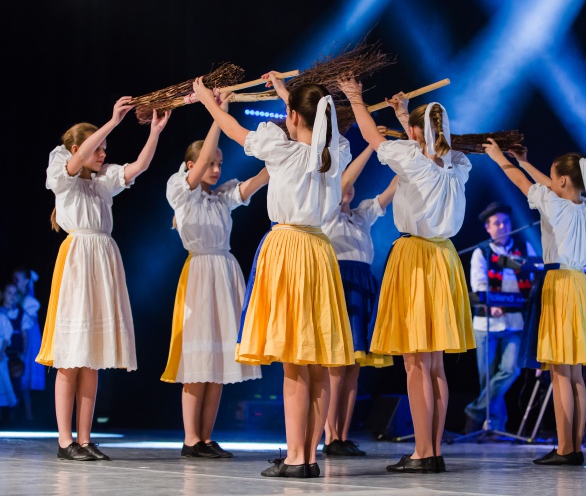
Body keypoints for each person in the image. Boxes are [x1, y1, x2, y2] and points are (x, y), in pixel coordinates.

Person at [192, 72, 353, 479]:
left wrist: (209, 102)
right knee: (315, 361)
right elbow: (308, 126)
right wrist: (286, 94)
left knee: (294, 363)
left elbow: (236, 131)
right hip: (320, 251)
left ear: (293, 116)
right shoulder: (335, 152)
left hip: (289, 249)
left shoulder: (281, 149)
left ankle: (297, 457)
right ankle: (308, 456)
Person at [339, 81, 474, 474]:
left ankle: (422, 451)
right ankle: (433, 450)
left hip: (416, 258)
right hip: (444, 258)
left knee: (416, 363)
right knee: (434, 365)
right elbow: (424, 146)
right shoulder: (457, 165)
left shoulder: (413, 159)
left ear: (415, 132)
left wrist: (354, 96)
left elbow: (371, 135)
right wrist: (404, 115)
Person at [37, 97, 171, 461]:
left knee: (91, 356)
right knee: (71, 354)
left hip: (102, 259)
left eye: (105, 148)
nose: (103, 154)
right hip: (79, 259)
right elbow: (75, 160)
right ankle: (65, 440)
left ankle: (85, 438)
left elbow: (138, 167)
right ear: (79, 149)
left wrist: (155, 132)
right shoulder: (62, 171)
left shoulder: (102, 180)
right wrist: (112, 121)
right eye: (98, 148)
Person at [483, 143, 586, 466]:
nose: (550, 183)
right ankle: (574, 446)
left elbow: (523, 184)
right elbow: (547, 186)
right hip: (580, 286)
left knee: (560, 373)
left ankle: (565, 448)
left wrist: (498, 157)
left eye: (554, 178)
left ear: (563, 181)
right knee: (575, 373)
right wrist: (525, 161)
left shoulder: (556, 205)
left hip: (560, 286)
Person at [162, 94, 268, 459]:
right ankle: (191, 438)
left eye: (220, 164)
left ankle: (206, 438)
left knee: (219, 362)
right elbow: (205, 155)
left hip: (224, 273)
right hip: (200, 275)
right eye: (211, 163)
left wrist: (282, 153)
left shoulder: (221, 198)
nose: (217, 168)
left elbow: (256, 182)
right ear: (192, 165)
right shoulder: (180, 191)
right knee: (198, 361)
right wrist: (217, 114)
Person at [321, 144, 398, 457]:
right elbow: (341, 184)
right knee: (337, 365)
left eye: (351, 184)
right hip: (339, 285)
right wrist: (370, 146)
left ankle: (342, 434)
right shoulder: (326, 213)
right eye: (344, 182)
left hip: (363, 285)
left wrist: (410, 159)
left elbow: (390, 192)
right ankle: (329, 435)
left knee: (354, 365)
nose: (348, 187)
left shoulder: (362, 215)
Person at [464, 202, 537, 437]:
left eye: (506, 222)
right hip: (486, 323)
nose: (503, 227)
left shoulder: (524, 248)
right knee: (487, 377)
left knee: (510, 371)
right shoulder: (481, 252)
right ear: (488, 228)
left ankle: (474, 412)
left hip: (515, 322)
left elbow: (534, 277)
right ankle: (495, 427)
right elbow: (479, 284)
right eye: (497, 223)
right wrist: (491, 304)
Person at [11, 268, 45, 420]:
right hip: (18, 338)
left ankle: (29, 415)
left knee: (27, 372)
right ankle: (20, 413)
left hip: (30, 339)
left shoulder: (29, 301)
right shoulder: (15, 296)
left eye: (17, 279)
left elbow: (29, 318)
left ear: (25, 281)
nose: (15, 282)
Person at [0, 281, 33, 422]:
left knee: (17, 385)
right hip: (2, 356)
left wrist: (23, 354)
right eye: (9, 293)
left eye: (15, 293)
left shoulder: (20, 314)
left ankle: (18, 418)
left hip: (15, 356)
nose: (12, 296)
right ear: (2, 294)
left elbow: (25, 336)